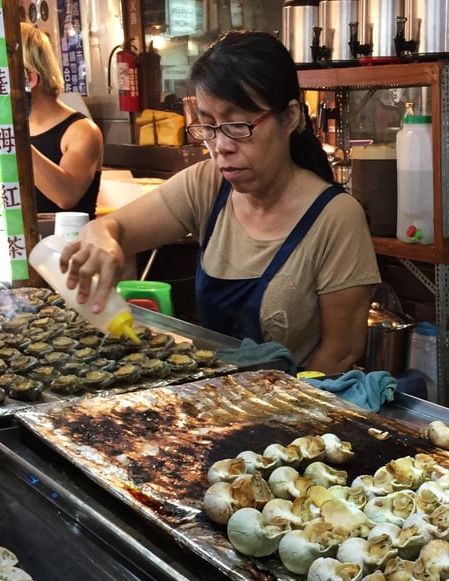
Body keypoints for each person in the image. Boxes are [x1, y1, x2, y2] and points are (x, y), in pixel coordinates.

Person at [59, 31, 379, 374]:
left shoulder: (335, 218)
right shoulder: (208, 184)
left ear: (289, 117)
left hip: (296, 410)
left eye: (238, 125)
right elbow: (111, 227)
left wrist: (276, 410)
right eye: (209, 126)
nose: (220, 146)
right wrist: (104, 246)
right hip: (215, 400)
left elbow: (339, 353)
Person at [21, 22, 104, 218]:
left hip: (68, 246)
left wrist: (10, 138)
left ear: (30, 80)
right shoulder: (14, 130)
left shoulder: (81, 131)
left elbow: (66, 195)